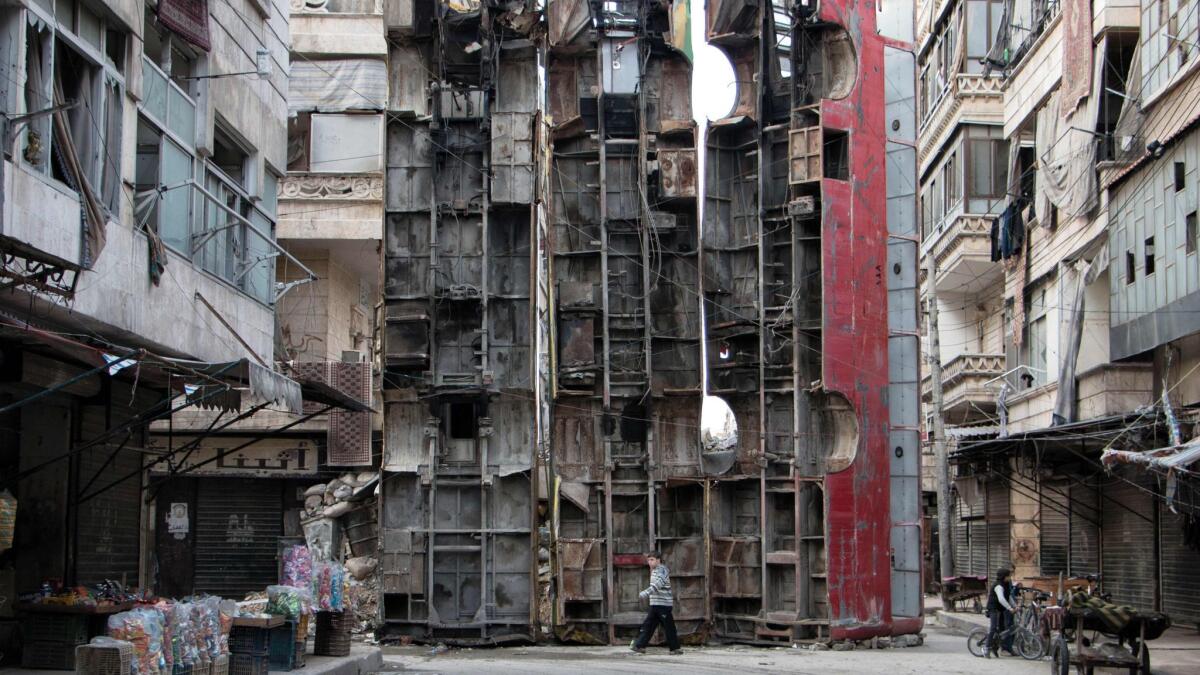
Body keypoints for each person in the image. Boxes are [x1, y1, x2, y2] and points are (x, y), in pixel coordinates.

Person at [630, 551, 682, 654]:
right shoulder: (654, 570)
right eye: (648, 560)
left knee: (668, 626)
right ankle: (639, 646)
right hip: (655, 604)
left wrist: (645, 593)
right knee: (648, 625)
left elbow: (658, 585)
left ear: (658, 560)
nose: (650, 562)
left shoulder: (662, 570)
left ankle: (675, 648)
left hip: (663, 604)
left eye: (652, 560)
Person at [986, 567, 1016, 657]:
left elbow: (1008, 597)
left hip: (1001, 609)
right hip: (993, 609)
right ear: (1004, 576)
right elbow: (1001, 599)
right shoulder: (998, 585)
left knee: (1002, 630)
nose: (1010, 578)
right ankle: (986, 648)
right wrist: (1010, 608)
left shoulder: (1005, 585)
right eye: (1008, 576)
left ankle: (995, 648)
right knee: (993, 628)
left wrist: (1015, 606)